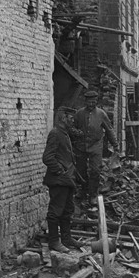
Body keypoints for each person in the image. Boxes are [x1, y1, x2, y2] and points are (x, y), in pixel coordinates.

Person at [42, 106, 84, 253]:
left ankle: (66, 238)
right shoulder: (55, 133)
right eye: (70, 118)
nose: (73, 121)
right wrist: (61, 170)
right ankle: (54, 241)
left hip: (67, 180)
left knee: (67, 210)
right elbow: (47, 157)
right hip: (59, 180)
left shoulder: (64, 133)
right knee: (55, 211)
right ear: (63, 118)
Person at [71, 90, 118, 206]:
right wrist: (76, 133)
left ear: (96, 101)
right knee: (81, 171)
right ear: (85, 101)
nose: (91, 103)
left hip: (96, 146)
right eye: (89, 101)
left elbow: (109, 129)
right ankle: (83, 191)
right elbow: (72, 128)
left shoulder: (101, 114)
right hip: (81, 146)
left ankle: (93, 195)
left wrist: (115, 144)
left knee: (95, 170)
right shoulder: (79, 113)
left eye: (93, 101)